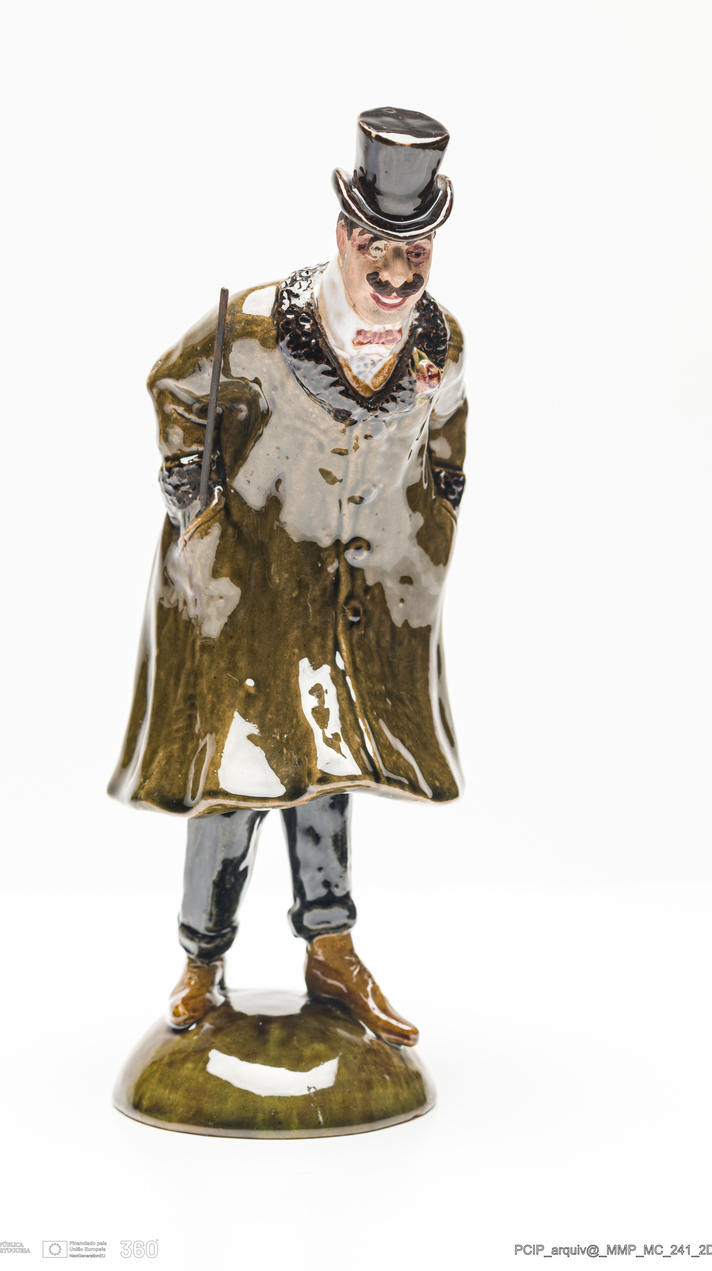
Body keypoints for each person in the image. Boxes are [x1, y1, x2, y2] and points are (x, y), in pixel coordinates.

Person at [109, 107, 467, 1046]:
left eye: (415, 256)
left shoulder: (437, 345)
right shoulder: (260, 325)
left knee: (326, 776)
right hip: (248, 593)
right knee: (235, 781)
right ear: (345, 237)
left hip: (346, 604)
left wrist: (434, 519)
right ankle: (202, 959)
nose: (396, 276)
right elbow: (174, 386)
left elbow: (447, 434)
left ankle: (331, 949)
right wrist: (193, 500)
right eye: (379, 252)